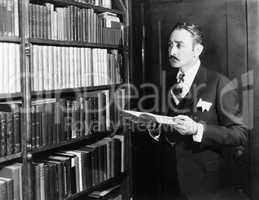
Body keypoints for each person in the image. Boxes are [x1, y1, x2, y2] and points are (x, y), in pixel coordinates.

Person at [140, 22, 248, 200]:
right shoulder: (164, 83)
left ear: (197, 50)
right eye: (170, 45)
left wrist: (198, 129)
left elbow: (240, 134)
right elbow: (166, 128)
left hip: (207, 185)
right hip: (168, 182)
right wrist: (154, 127)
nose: (172, 51)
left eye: (179, 45)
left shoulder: (220, 83)